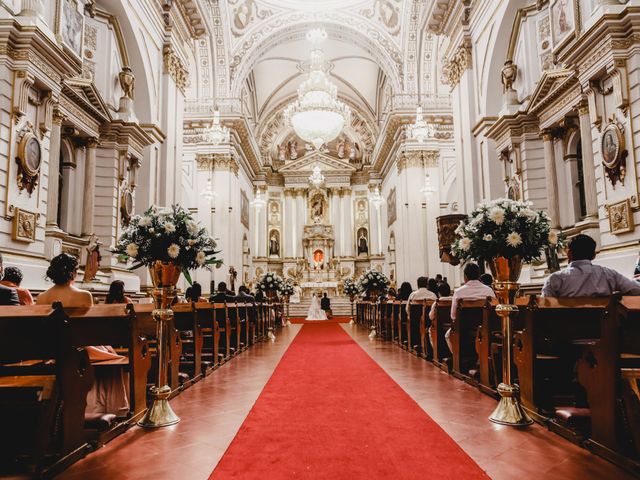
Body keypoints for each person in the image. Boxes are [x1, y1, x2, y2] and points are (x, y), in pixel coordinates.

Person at [37, 253, 129, 416]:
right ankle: (101, 405)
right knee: (115, 357)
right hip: (82, 347)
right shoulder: (84, 296)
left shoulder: (41, 298)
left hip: (51, 350)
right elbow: (92, 331)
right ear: (73, 273)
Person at [542, 234, 640, 297]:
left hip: (567, 328)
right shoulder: (609, 274)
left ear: (569, 254)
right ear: (593, 256)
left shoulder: (554, 279)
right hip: (603, 328)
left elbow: (544, 308)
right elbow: (636, 290)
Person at [445, 263, 496, 352]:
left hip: (464, 329)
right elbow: (494, 310)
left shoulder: (459, 292)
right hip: (486, 327)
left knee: (448, 335)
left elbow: (453, 316)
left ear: (465, 276)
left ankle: (458, 359)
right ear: (478, 275)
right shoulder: (489, 290)